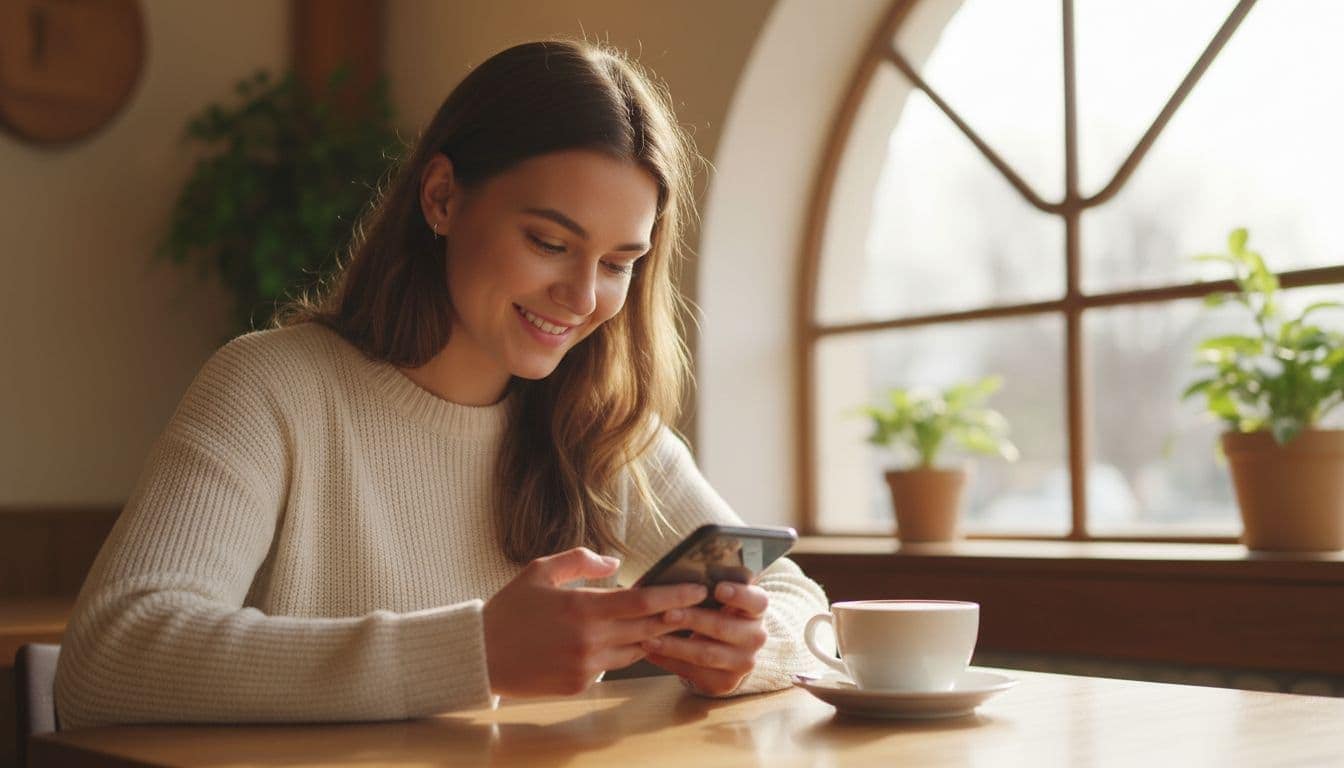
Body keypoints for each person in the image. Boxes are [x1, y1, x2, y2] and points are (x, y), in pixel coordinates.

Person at [54, 38, 830, 729]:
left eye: (620, 263)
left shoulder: (601, 430)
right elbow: (110, 659)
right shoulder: (271, 388)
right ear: (442, 198)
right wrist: (475, 652)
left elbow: (796, 598)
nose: (583, 296)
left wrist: (745, 651)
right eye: (550, 241)